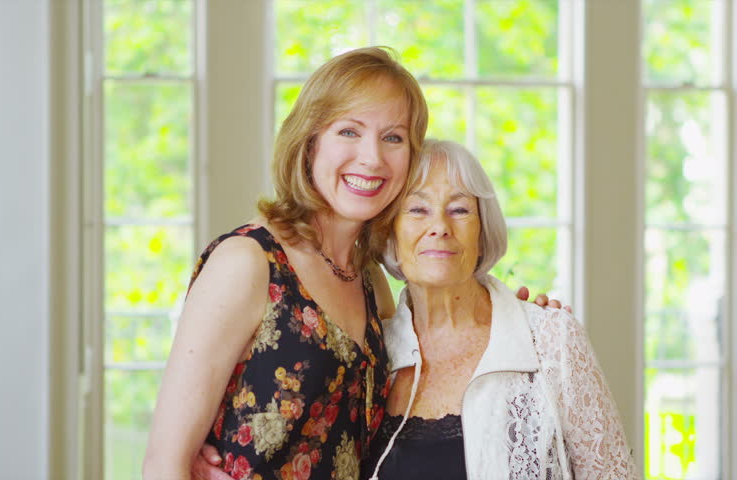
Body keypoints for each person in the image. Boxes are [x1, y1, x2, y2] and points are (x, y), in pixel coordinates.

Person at [144, 47, 560, 480]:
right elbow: (162, 465)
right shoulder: (248, 263)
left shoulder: (369, 279)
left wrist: (520, 322)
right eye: (348, 131)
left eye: (393, 138)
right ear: (310, 142)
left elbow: (439, 354)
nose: (372, 158)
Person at [359, 139, 638, 479]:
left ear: (482, 232)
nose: (440, 226)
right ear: (390, 234)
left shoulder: (552, 340)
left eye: (459, 210)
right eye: (417, 210)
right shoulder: (372, 352)